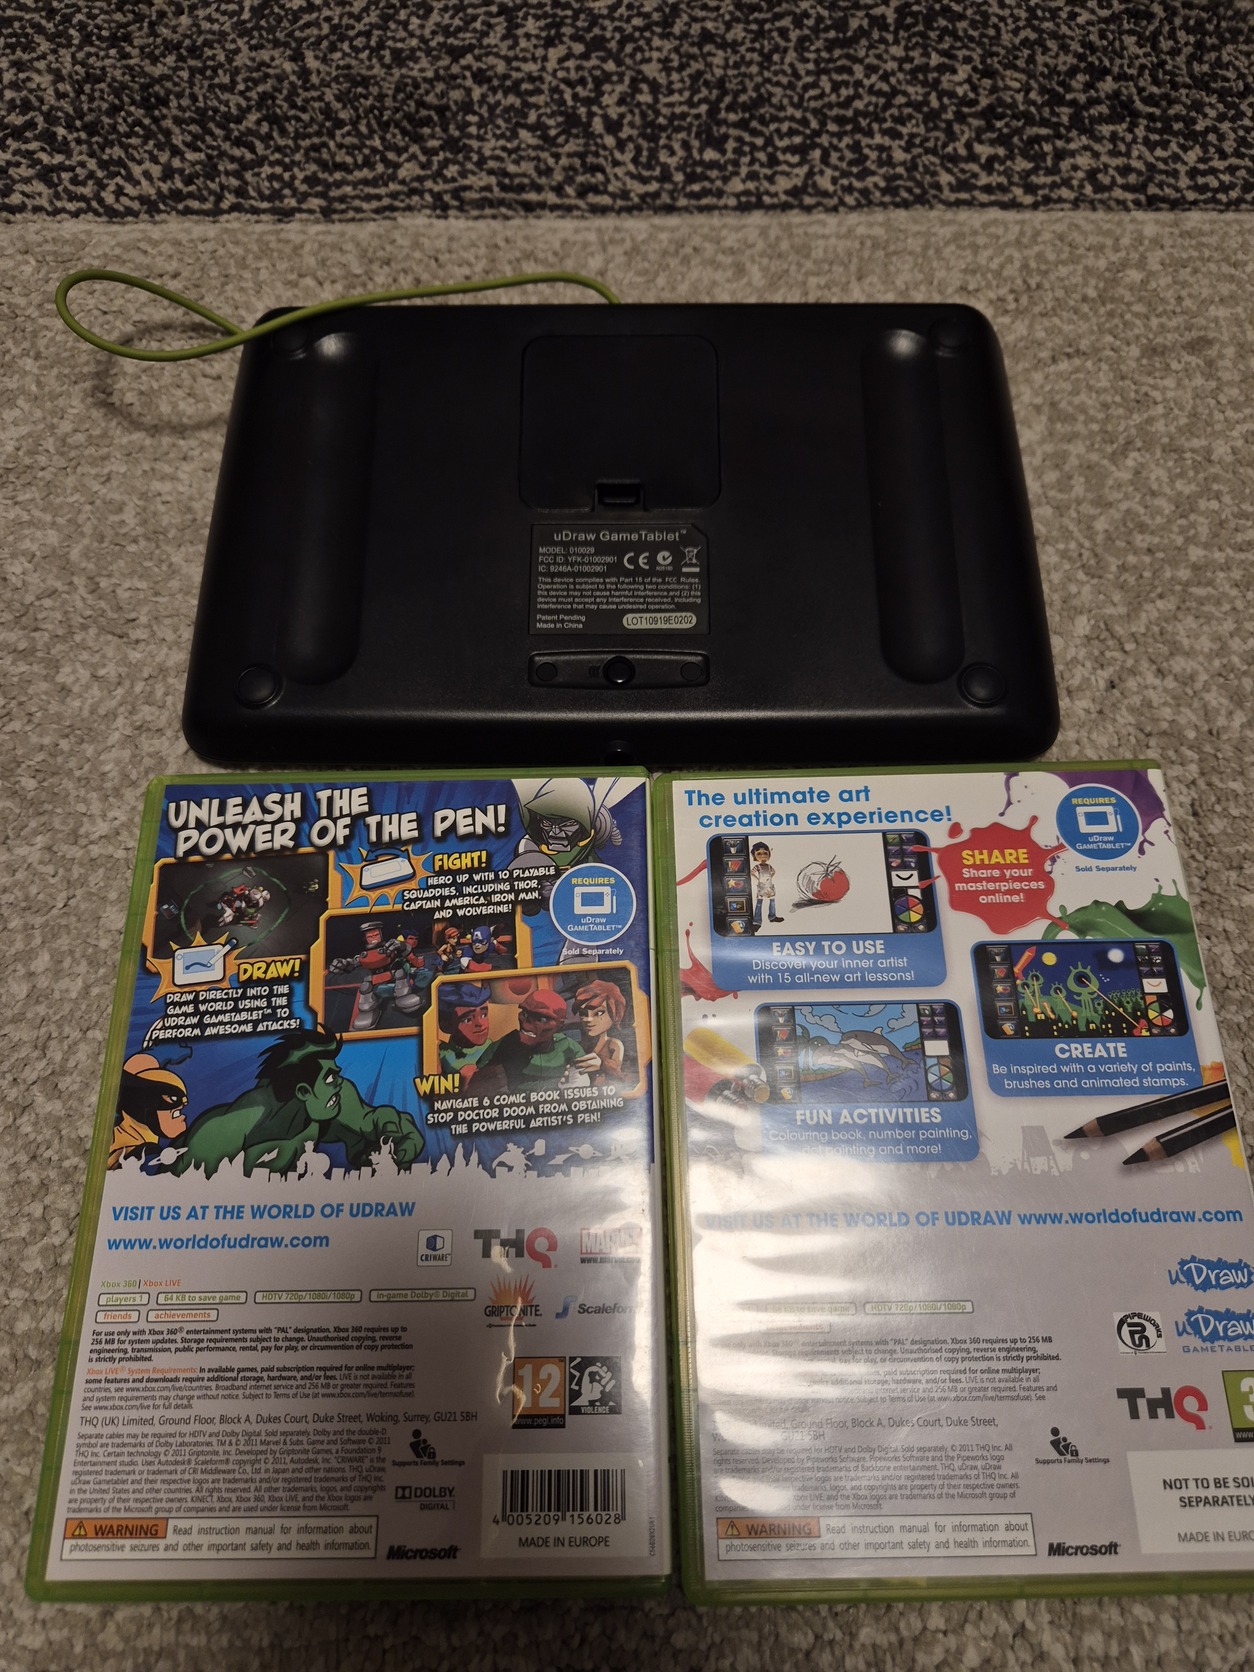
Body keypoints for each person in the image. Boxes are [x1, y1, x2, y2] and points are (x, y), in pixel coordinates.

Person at [750, 841, 783, 928]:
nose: (763, 856)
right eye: (759, 853)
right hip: (761, 886)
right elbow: (751, 873)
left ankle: (772, 916)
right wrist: (758, 880)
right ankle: (757, 921)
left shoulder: (769, 866)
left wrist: (771, 877)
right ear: (754, 856)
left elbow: (774, 871)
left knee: (772, 901)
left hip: (769, 885)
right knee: (759, 902)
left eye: (765, 853)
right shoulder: (758, 866)